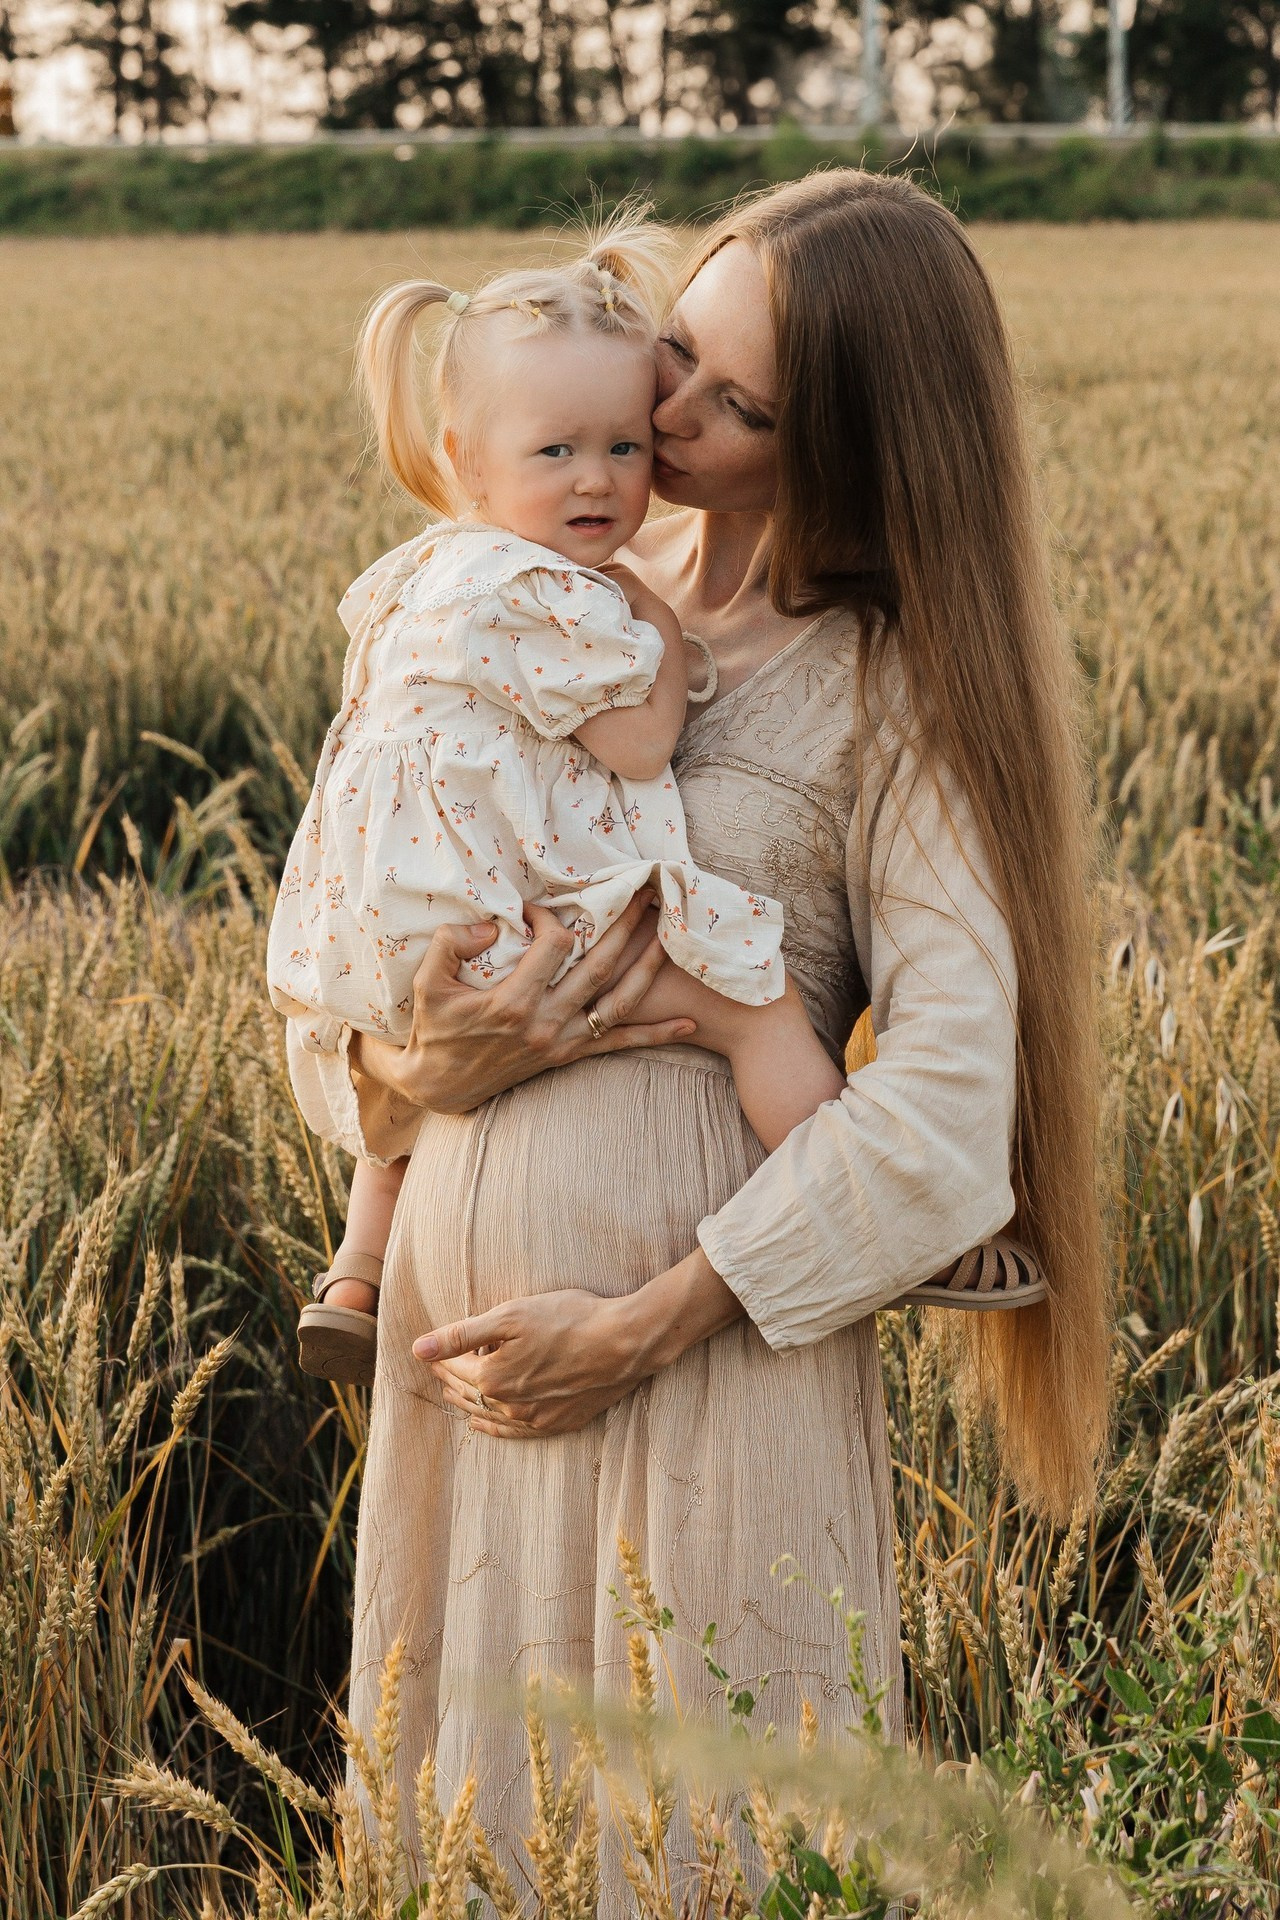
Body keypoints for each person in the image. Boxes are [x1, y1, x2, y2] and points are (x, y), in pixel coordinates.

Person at [331, 170, 1109, 1890]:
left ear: (850, 444)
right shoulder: (530, 587)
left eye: (733, 404)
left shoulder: (893, 690)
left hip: (702, 1384)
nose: (659, 417)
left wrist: (645, 1321)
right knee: (474, 1844)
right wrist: (410, 1064)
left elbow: (949, 1121)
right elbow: (351, 895)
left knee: (702, 1846)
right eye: (677, 351)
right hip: (460, 1389)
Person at [266, 222, 854, 1385]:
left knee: (417, 1059)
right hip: (517, 926)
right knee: (754, 1006)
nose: (597, 479)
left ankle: (355, 1266)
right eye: (556, 452)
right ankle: (842, 1187)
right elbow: (636, 749)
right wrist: (663, 635)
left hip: (383, 925)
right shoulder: (561, 596)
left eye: (622, 446)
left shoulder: (416, 573)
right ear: (464, 455)